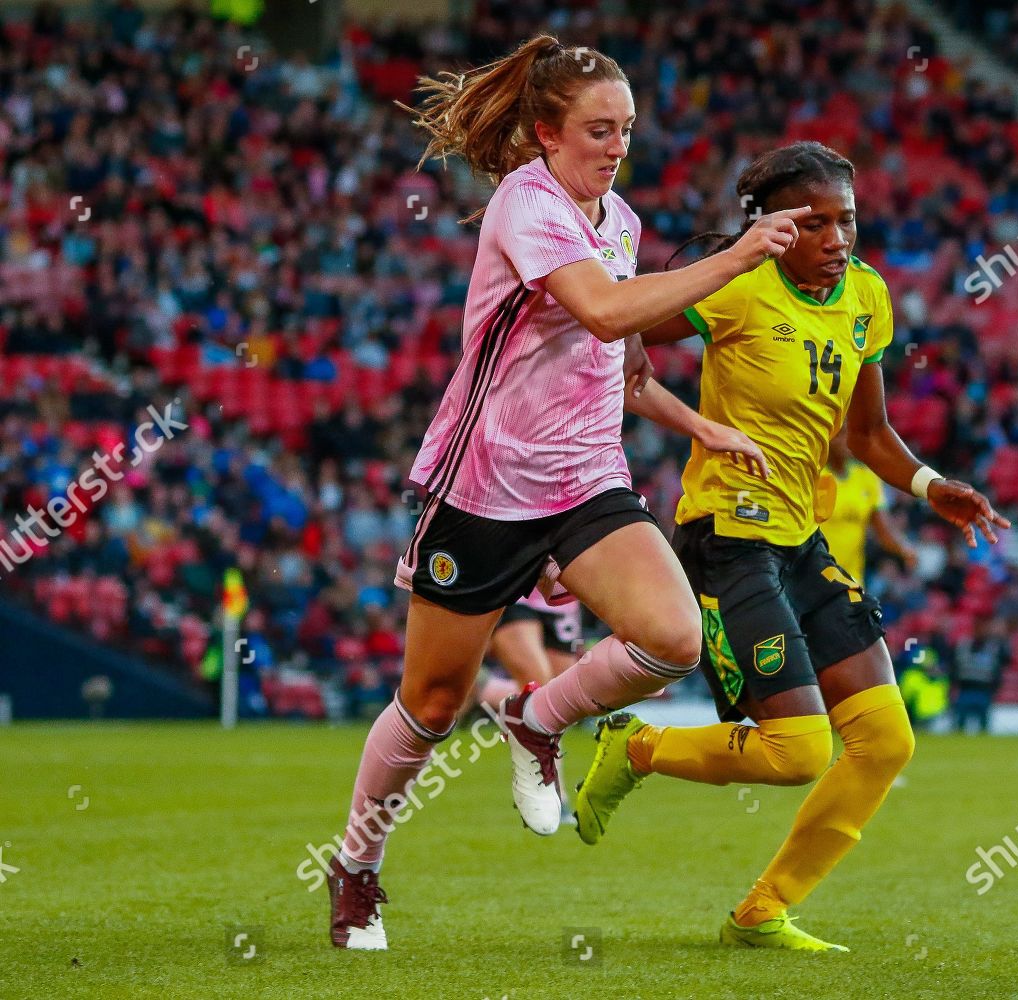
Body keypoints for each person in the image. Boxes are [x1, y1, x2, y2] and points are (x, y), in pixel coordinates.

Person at [325, 34, 804, 951]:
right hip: (487, 487)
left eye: (626, 129)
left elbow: (624, 363)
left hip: (587, 480)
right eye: (598, 128)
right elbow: (606, 308)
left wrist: (700, 426)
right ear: (546, 133)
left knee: (672, 638)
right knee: (428, 704)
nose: (616, 145)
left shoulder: (618, 222)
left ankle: (533, 715)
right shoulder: (527, 203)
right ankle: (356, 868)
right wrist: (740, 257)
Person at [567, 141, 1008, 952]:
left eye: (848, 219)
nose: (838, 237)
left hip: (800, 540)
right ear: (772, 225)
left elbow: (869, 433)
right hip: (726, 540)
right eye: (816, 222)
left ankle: (762, 913)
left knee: (886, 740)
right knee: (801, 751)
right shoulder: (734, 286)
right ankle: (637, 745)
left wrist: (928, 484)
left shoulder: (868, 297)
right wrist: (669, 399)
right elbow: (616, 334)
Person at [820, 424, 917, 584]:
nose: (848, 441)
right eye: (841, 435)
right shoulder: (812, 476)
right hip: (812, 579)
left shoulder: (867, 479)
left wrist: (905, 548)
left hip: (850, 581)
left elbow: (884, 530)